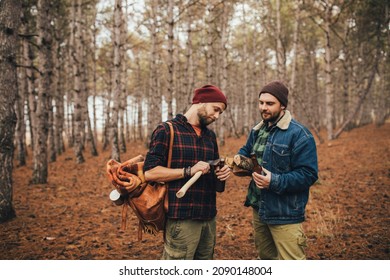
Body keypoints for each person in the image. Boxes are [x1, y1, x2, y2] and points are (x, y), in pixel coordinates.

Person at [143, 84, 231, 260]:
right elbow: (150, 173)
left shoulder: (210, 137)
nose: (216, 116)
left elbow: (214, 180)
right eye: (215, 110)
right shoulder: (167, 130)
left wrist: (221, 174)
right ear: (201, 101)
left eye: (220, 113)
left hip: (208, 216)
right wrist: (188, 171)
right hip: (181, 218)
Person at [236, 80, 318, 260]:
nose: (264, 107)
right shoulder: (257, 130)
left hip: (285, 213)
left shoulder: (299, 135)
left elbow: (308, 174)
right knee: (267, 261)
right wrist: (235, 162)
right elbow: (246, 151)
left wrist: (274, 180)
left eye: (269, 104)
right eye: (261, 102)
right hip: (259, 209)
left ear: (283, 105)